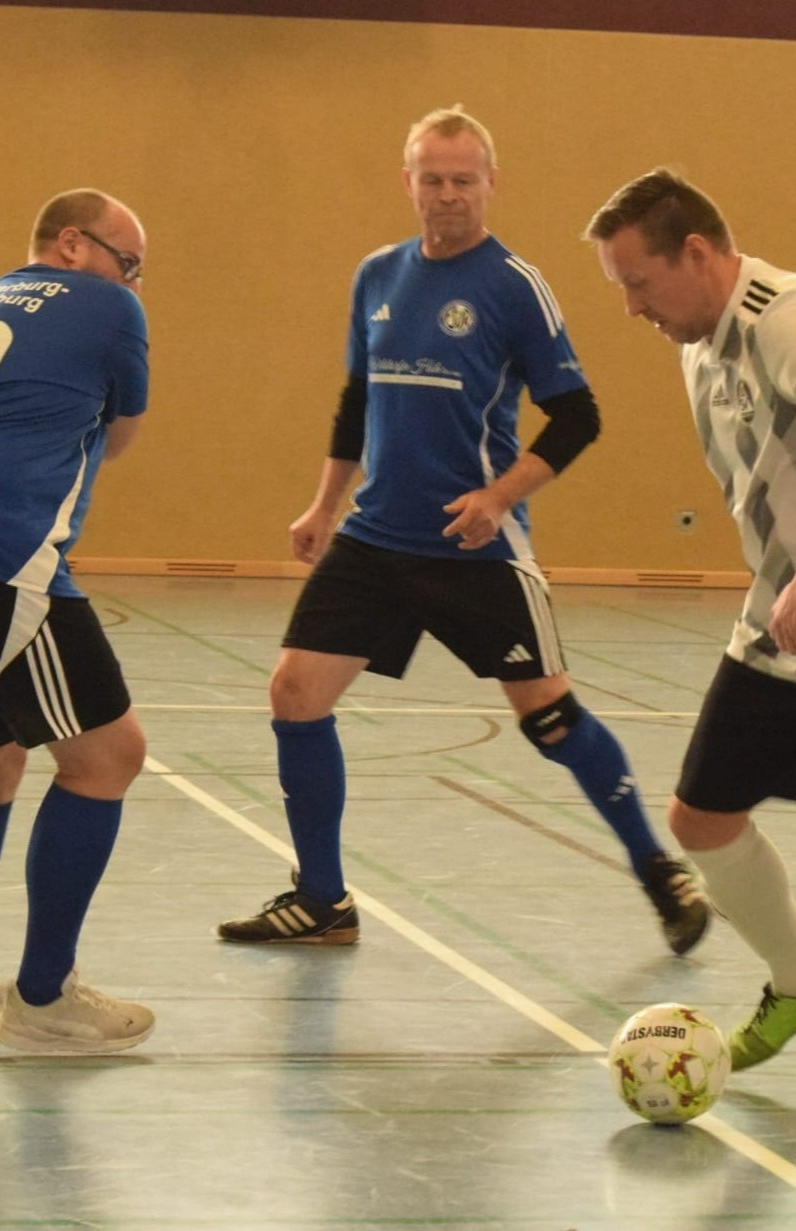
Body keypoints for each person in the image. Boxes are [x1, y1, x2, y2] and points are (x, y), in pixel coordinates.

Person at [217, 107, 708, 956]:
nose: (447, 195)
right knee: (294, 693)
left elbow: (576, 415)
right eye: (432, 178)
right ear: (407, 182)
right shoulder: (376, 275)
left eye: (463, 180)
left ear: (490, 184)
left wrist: (498, 495)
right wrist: (323, 504)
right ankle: (323, 898)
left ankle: (657, 868)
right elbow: (355, 400)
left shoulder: (513, 284)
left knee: (550, 721)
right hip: (375, 538)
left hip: (474, 546)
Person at [585, 167, 796, 1112]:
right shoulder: (696, 344)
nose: (632, 308)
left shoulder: (789, 315)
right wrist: (787, 589)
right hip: (785, 632)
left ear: (698, 253)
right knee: (701, 822)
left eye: (640, 283)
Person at [0, 189, 155, 1054]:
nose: (134, 281)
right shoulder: (107, 305)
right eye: (129, 262)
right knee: (107, 755)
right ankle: (45, 997)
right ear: (71, 243)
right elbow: (119, 433)